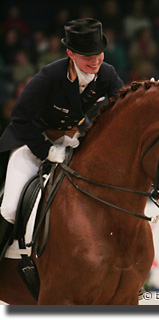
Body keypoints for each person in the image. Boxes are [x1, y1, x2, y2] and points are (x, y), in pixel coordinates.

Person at [0, 18, 124, 261]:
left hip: (72, 142)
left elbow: (123, 103)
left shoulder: (107, 73)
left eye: (98, 53)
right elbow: (20, 118)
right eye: (87, 55)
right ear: (70, 53)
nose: (95, 60)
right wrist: (45, 149)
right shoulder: (49, 77)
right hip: (32, 143)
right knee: (12, 207)